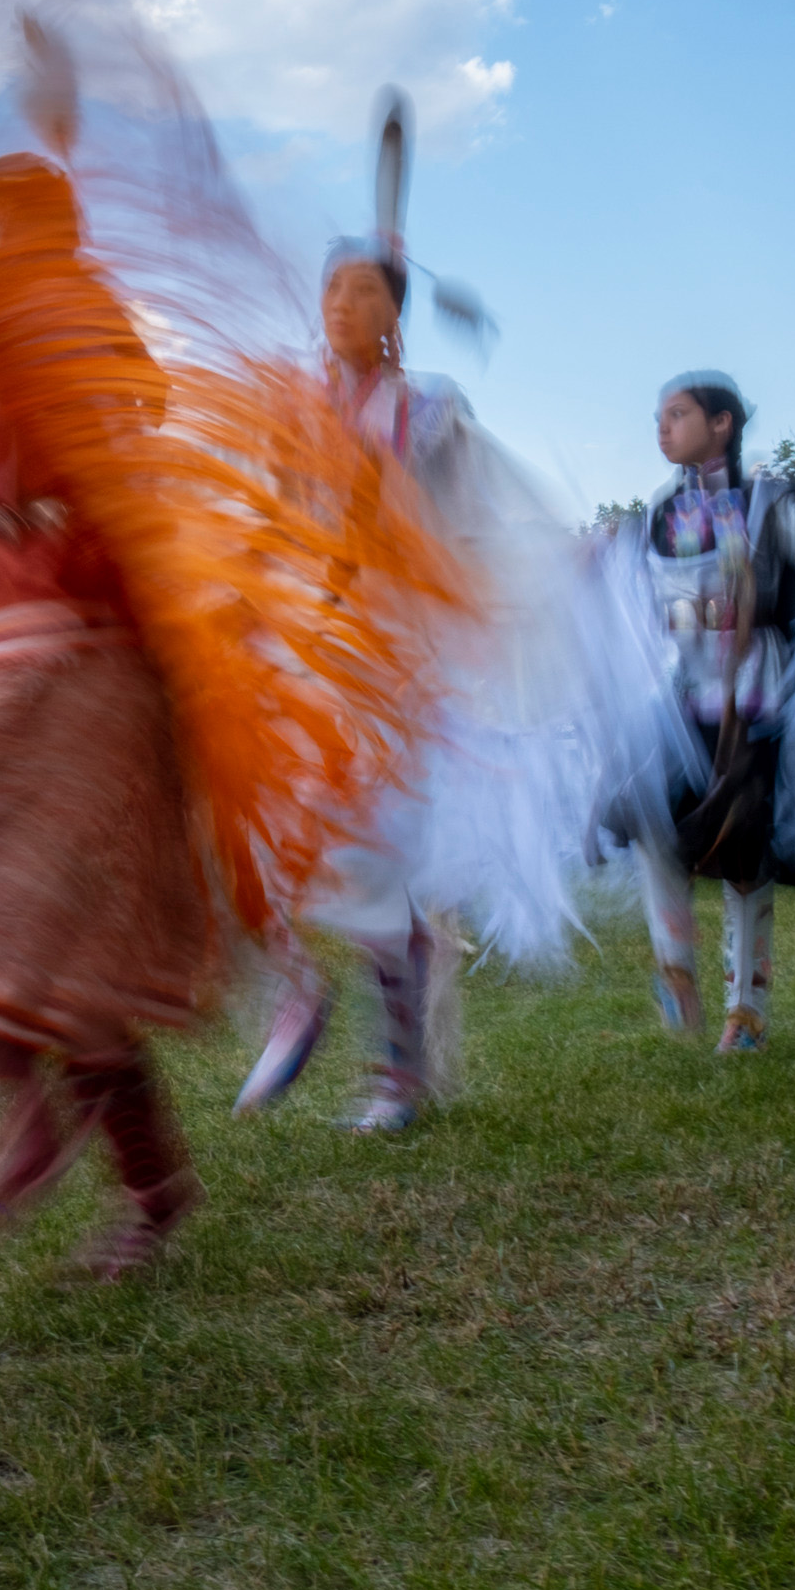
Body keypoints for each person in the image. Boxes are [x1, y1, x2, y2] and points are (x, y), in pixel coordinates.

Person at [0, 57, 452, 1280]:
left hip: (73, 683)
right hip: (21, 672)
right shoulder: (24, 351)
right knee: (44, 961)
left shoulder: (61, 327)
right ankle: (147, 1193)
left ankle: (48, 1136)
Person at [240, 89, 590, 1132]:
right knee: (255, 819)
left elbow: (470, 525)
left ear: (393, 308)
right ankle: (298, 987)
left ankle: (401, 1071)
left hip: (390, 662)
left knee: (375, 865)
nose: (338, 308)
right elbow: (265, 517)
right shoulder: (291, 406)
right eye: (328, 291)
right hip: (301, 640)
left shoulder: (428, 412)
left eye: (359, 292)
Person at [595, 372, 795, 1052]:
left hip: (752, 698)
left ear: (722, 423)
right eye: (658, 415)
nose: (662, 427)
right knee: (652, 823)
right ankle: (674, 964)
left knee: (743, 852)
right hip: (675, 698)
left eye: (678, 414)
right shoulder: (660, 514)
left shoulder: (768, 505)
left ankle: (744, 1010)